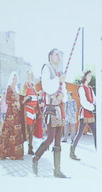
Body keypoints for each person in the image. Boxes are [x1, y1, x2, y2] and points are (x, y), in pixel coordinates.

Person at [32, 48, 68, 178]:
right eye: (56, 54)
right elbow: (46, 86)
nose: (59, 57)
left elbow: (63, 90)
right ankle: (36, 157)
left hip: (58, 109)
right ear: (50, 56)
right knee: (50, 138)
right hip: (51, 108)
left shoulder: (58, 72)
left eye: (59, 55)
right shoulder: (46, 68)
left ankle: (57, 170)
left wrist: (62, 95)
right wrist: (59, 80)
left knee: (58, 139)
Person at [0, 72, 24, 160]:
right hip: (10, 114)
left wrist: (19, 104)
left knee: (16, 133)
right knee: (9, 133)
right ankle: (5, 152)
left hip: (16, 114)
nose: (15, 80)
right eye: (14, 79)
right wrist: (15, 103)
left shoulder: (16, 89)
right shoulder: (9, 88)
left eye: (16, 79)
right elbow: (7, 101)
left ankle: (16, 153)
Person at [70, 70, 96, 161]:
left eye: (91, 75)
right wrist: (92, 107)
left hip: (90, 113)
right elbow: (83, 102)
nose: (90, 77)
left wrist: (95, 105)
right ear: (85, 77)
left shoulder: (90, 88)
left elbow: (94, 99)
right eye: (89, 75)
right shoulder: (81, 88)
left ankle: (98, 150)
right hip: (84, 113)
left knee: (95, 133)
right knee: (79, 133)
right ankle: (72, 152)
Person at [20, 71, 38, 155]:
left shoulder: (33, 86)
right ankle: (21, 147)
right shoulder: (25, 85)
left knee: (31, 131)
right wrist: (26, 98)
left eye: (32, 75)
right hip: (27, 110)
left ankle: (30, 148)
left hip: (33, 111)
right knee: (27, 129)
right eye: (31, 75)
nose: (32, 77)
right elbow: (21, 99)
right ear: (27, 76)